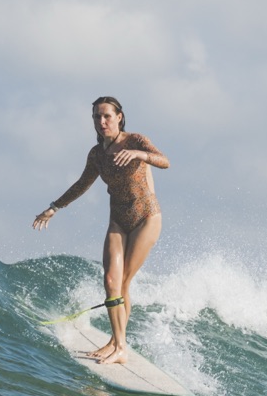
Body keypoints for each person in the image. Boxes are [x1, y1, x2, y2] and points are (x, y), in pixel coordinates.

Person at [33, 96, 169, 365]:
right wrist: (54, 207)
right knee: (110, 283)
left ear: (119, 116)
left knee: (123, 283)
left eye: (107, 116)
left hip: (146, 218)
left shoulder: (135, 141)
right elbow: (82, 184)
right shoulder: (97, 155)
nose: (102, 121)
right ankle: (116, 343)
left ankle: (120, 347)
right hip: (118, 221)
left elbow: (164, 161)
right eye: (97, 117)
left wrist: (140, 155)